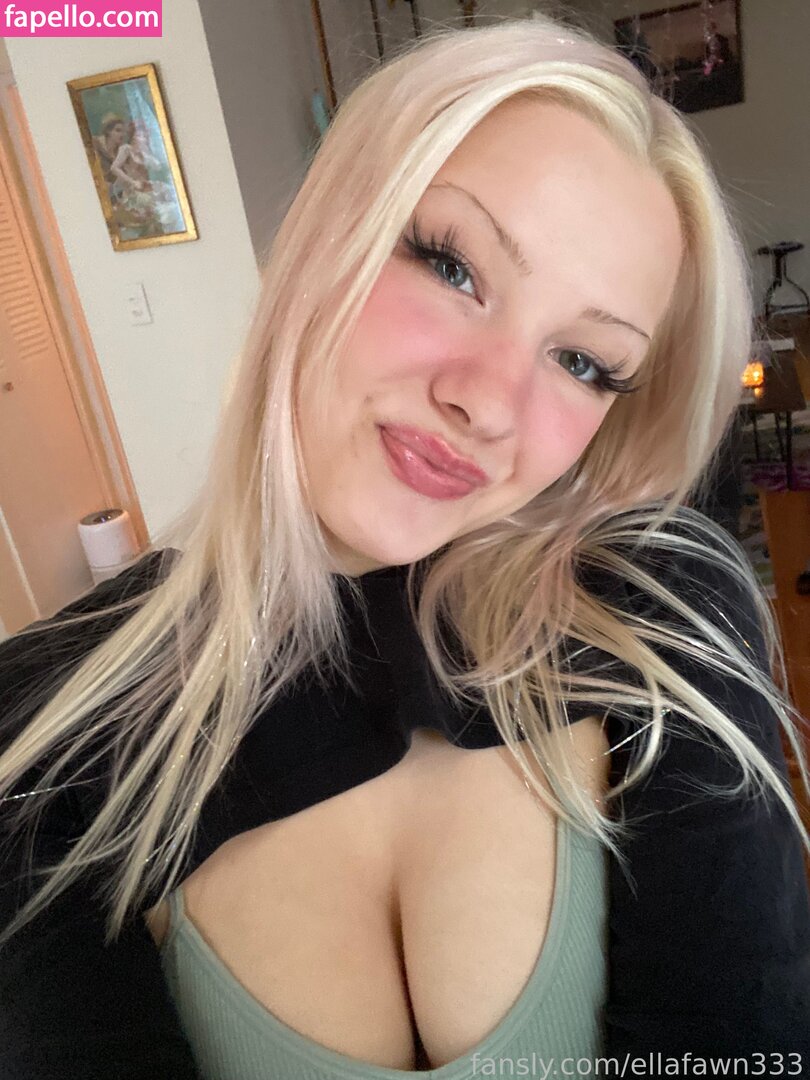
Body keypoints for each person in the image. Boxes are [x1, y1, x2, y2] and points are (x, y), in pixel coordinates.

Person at [2, 14, 810, 1079]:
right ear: (329, 230)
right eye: (452, 266)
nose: (490, 404)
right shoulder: (42, 730)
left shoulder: (661, 606)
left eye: (582, 361)